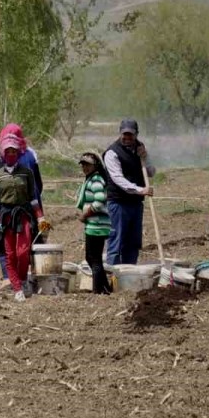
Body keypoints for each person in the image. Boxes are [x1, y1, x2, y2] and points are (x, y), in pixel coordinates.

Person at [0, 134, 49, 301]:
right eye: (8, 151)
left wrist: (40, 218)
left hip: (24, 216)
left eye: (14, 151)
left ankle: (23, 278)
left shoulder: (26, 173)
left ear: (18, 153)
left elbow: (33, 197)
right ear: (3, 154)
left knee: (23, 252)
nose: (11, 154)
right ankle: (17, 287)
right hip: (6, 219)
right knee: (10, 253)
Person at [102, 119, 155, 266]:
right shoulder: (112, 153)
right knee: (116, 242)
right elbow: (119, 179)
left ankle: (130, 275)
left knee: (133, 243)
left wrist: (145, 157)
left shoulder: (139, 149)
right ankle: (113, 279)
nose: (127, 138)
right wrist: (141, 190)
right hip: (118, 203)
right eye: (124, 134)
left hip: (136, 204)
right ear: (120, 133)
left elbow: (151, 172)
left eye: (130, 135)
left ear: (136, 135)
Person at [0, 123, 46, 240]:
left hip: (7, 206)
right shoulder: (31, 153)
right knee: (33, 234)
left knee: (6, 239)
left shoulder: (2, 153)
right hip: (32, 202)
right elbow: (39, 184)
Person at [76, 151, 113, 294]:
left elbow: (99, 201)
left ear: (95, 165)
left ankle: (98, 291)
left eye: (88, 165)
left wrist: (85, 214)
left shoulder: (96, 180)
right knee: (91, 257)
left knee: (94, 258)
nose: (85, 167)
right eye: (83, 164)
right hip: (94, 224)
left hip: (97, 224)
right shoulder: (91, 179)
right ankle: (104, 288)